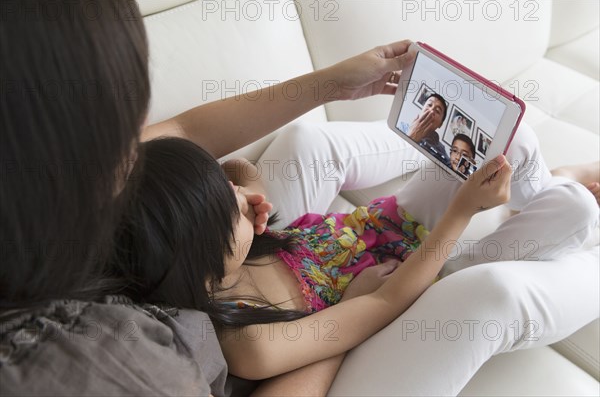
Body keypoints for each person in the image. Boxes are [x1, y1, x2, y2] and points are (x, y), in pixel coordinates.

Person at [1, 0, 598, 396]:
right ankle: (552, 207)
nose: (133, 141)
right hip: (353, 313)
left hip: (327, 275)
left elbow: (182, 141)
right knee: (500, 282)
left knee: (319, 140)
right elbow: (377, 304)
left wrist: (252, 180)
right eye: (116, 139)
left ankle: (521, 179)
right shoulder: (122, 363)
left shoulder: (160, 239)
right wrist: (342, 318)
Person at [110, 123, 598, 388]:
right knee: (575, 208)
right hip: (414, 282)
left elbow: (244, 176)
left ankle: (536, 192)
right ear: (201, 252)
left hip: (390, 226)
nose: (245, 198)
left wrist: (240, 187)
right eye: (231, 209)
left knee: (513, 139)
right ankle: (547, 201)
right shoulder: (250, 342)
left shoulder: (235, 255)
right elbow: (381, 306)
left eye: (230, 191)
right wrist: (463, 212)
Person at [399, 94, 451, 166]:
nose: (431, 111)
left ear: (440, 124)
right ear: (422, 108)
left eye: (437, 111)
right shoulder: (401, 127)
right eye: (429, 105)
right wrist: (411, 136)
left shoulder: (441, 152)